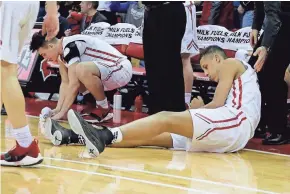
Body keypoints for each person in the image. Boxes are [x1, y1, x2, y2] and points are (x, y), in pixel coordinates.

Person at [64, 46, 261, 156]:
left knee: (165, 118)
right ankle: (76, 137)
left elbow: (217, 104)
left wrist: (199, 109)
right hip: (233, 132)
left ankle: (102, 136)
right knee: (155, 136)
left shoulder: (230, 62)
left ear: (217, 58)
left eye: (206, 67)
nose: (207, 74)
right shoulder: (240, 75)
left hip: (236, 122)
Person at [0, 1, 59, 166]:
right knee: (5, 72)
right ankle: (25, 146)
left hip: (9, 5)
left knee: (5, 71)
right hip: (29, 5)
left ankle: (26, 145)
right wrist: (52, 10)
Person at [29, 33, 132, 123]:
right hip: (106, 73)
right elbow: (65, 83)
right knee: (75, 72)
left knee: (80, 69)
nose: (45, 58)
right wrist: (57, 109)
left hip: (120, 68)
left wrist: (62, 113)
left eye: (44, 54)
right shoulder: (61, 55)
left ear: (51, 46)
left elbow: (74, 85)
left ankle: (104, 108)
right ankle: (91, 104)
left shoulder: (70, 46)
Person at [248, 2, 290, 145]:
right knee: (254, 71)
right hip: (277, 23)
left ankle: (280, 130)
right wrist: (256, 26)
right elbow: (260, 4)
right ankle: (261, 122)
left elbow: (274, 16)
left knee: (273, 75)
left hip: (284, 23)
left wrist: (266, 46)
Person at [142, 1, 187, 115]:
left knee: (169, 64)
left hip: (168, 10)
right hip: (150, 11)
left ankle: (174, 113)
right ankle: (156, 111)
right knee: (152, 66)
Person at [181, 2, 199, 108]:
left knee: (184, 57)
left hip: (184, 7)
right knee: (166, 57)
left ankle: (186, 101)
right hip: (163, 8)